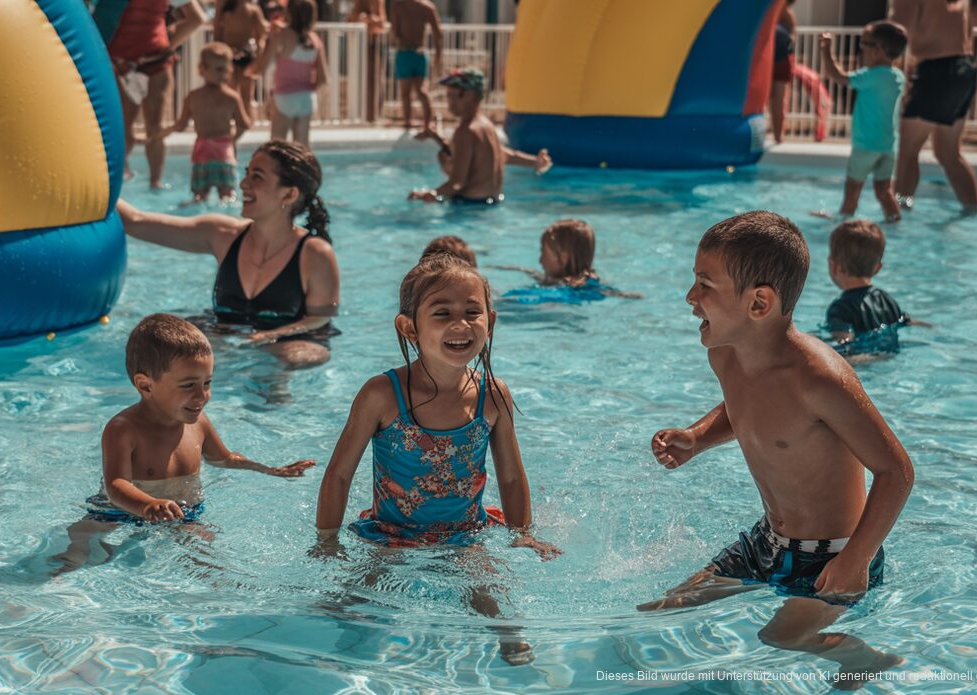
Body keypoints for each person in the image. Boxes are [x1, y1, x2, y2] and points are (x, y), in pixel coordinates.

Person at [641, 211, 914, 688]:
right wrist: (698, 437)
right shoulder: (724, 352)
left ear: (759, 303)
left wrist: (854, 561)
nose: (690, 297)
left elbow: (897, 472)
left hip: (833, 556)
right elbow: (743, 405)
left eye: (705, 285)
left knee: (781, 639)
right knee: (664, 606)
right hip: (766, 542)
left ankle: (866, 659)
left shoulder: (819, 380)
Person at [314, 253, 561, 664]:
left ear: (491, 321)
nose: (460, 324)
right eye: (442, 312)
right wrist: (327, 540)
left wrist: (523, 532)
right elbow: (340, 473)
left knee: (490, 596)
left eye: (472, 312)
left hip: (464, 532)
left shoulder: (493, 395)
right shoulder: (382, 393)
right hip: (392, 532)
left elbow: (512, 477)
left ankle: (508, 641)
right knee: (355, 597)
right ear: (409, 327)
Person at [51, 313, 314, 573]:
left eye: (207, 383)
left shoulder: (199, 423)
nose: (202, 396)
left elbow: (222, 458)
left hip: (183, 512)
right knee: (81, 535)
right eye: (189, 385)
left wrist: (268, 469)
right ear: (146, 386)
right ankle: (64, 576)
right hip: (117, 511)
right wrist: (147, 505)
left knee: (207, 555)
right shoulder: (124, 428)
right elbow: (116, 486)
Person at [117, 140, 340, 368]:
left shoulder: (315, 254)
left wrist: (267, 337)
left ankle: (272, 394)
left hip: (289, 342)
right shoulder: (222, 235)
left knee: (296, 355)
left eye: (257, 177)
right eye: (247, 174)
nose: (243, 184)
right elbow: (136, 223)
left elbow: (319, 319)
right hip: (224, 334)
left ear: (290, 194)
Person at [95, 0, 207, 188]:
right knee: (154, 129)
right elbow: (197, 19)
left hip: (121, 61)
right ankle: (156, 183)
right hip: (155, 59)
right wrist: (166, 42)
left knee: (122, 130)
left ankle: (118, 183)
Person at [890, 0, 977, 213]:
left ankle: (898, 212)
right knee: (948, 152)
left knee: (908, 151)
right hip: (965, 70)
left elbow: (894, 33)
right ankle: (973, 209)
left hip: (936, 71)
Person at [408, 68, 550, 205]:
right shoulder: (486, 126)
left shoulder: (465, 131)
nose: (448, 102)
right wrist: (535, 162)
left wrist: (428, 195)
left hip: (468, 206)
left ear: (469, 95)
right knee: (444, 154)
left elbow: (457, 184)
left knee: (442, 157)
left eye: (452, 96)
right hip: (492, 203)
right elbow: (503, 155)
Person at [817, 22, 908, 223]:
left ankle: (844, 226)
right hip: (888, 146)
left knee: (852, 191)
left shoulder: (871, 76)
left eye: (863, 43)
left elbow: (837, 76)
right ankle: (895, 221)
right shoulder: (898, 77)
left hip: (866, 146)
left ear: (877, 50)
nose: (861, 49)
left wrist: (826, 50)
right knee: (884, 191)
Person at [152, 43, 252, 204]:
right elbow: (181, 125)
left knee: (220, 195)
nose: (224, 75)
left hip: (210, 149)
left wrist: (232, 139)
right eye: (219, 70)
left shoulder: (210, 97)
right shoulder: (217, 97)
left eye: (226, 70)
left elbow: (244, 123)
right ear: (202, 69)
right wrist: (159, 135)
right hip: (216, 150)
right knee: (210, 195)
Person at [825, 220, 926, 349]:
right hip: (891, 352)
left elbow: (842, 343)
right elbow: (907, 322)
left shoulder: (840, 309)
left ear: (833, 267)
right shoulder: (887, 299)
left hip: (861, 361)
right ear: (877, 268)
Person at [493, 220, 643, 300]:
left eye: (543, 252)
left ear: (563, 258)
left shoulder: (560, 290)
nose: (540, 260)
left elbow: (508, 301)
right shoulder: (592, 284)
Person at [250, 0, 328, 146]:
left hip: (284, 97)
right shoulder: (315, 40)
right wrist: (306, 90)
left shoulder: (282, 36)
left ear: (289, 13)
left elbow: (261, 68)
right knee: (302, 149)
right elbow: (323, 78)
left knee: (277, 147)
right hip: (307, 99)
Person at [388, 0, 443, 130]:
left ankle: (411, 121)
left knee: (408, 91)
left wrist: (399, 40)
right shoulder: (426, 7)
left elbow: (394, 31)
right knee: (421, 91)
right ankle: (426, 123)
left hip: (405, 52)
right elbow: (438, 34)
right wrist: (438, 56)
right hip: (418, 53)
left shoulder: (399, 5)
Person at [213, 0, 270, 122]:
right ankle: (229, 123)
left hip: (247, 54)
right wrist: (217, 50)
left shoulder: (253, 9)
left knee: (246, 94)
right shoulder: (224, 6)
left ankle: (247, 124)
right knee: (229, 91)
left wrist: (259, 57)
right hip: (228, 53)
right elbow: (217, 29)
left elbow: (262, 34)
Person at [347, 0, 387, 122]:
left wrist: (372, 20)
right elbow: (350, 20)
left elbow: (382, 23)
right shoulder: (358, 5)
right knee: (360, 81)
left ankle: (373, 115)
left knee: (376, 82)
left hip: (374, 46)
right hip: (360, 48)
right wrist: (361, 19)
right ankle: (362, 115)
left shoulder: (378, 3)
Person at [769, 0, 797, 144]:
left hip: (782, 59)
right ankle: (773, 135)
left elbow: (790, 37)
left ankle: (778, 137)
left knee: (778, 101)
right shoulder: (769, 12)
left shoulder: (787, 15)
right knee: (770, 100)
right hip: (767, 60)